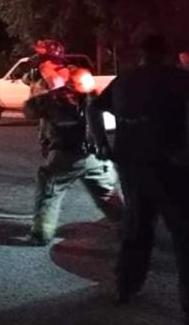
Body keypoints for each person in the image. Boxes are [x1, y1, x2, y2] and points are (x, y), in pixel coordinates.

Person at [89, 34, 189, 325]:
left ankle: (125, 286)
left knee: (137, 227)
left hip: (132, 166)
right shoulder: (181, 80)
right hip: (173, 167)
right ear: (166, 52)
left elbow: (93, 108)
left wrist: (102, 144)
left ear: (140, 54)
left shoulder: (125, 80)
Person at [23, 65, 123, 246]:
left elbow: (29, 111)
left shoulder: (54, 99)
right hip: (95, 157)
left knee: (49, 192)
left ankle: (41, 234)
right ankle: (127, 228)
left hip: (64, 156)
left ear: (69, 82)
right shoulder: (97, 98)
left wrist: (43, 85)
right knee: (107, 193)